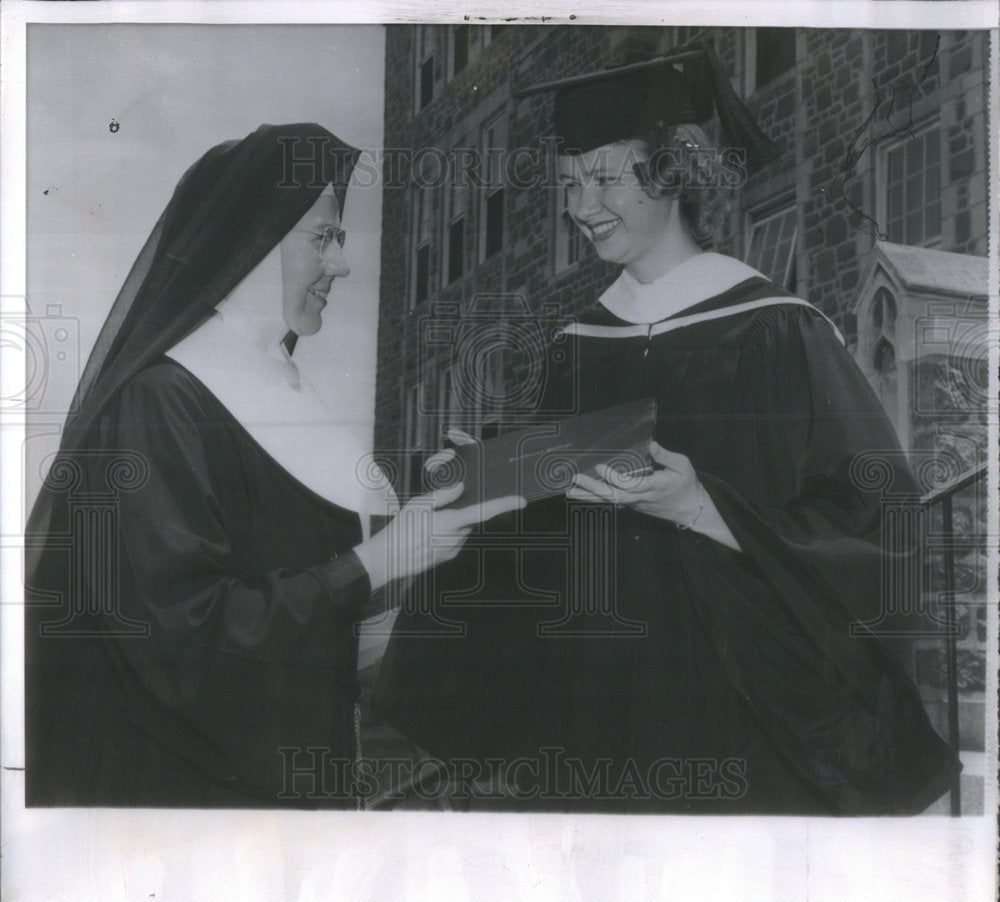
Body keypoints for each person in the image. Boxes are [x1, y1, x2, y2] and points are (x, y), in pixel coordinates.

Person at [373, 48, 961, 814]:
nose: (582, 206)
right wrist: (490, 483)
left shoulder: (775, 332)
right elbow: (550, 545)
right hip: (590, 721)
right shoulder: (580, 345)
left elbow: (882, 525)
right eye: (570, 182)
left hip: (734, 724)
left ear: (673, 175)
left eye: (607, 177)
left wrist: (700, 506)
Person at [24, 123, 523, 808]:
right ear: (253, 245)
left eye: (339, 240)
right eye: (323, 238)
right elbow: (182, 643)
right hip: (186, 806)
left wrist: (441, 523)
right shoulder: (161, 403)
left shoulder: (283, 387)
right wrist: (376, 561)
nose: (342, 266)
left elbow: (343, 634)